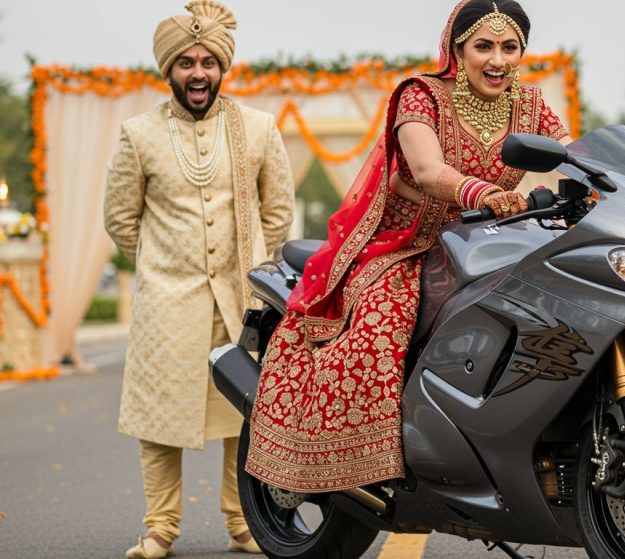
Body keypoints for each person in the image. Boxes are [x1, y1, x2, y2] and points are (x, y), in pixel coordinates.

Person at [244, 0, 571, 494]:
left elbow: (577, 155)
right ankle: (366, 458)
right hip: (406, 246)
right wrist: (482, 192)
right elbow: (425, 172)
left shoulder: (529, 105)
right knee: (382, 321)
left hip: (489, 246)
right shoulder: (423, 97)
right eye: (484, 46)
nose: (498, 60)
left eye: (510, 47)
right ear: (457, 51)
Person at [103, 2, 294, 557]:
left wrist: (251, 262)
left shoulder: (257, 128)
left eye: (208, 61)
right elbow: (120, 218)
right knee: (161, 414)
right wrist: (166, 263)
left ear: (222, 68)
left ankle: (242, 523)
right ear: (169, 70)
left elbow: (276, 211)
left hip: (241, 295)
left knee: (243, 406)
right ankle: (160, 526)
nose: (198, 73)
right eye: (186, 62)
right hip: (168, 300)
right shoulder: (138, 134)